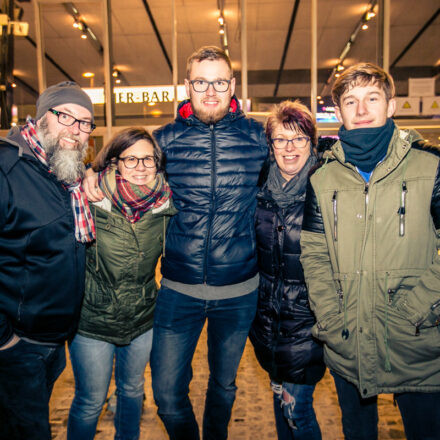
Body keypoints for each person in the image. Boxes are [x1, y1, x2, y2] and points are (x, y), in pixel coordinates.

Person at [83, 46, 268, 440]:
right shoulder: (165, 140)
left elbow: (293, 172)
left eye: (219, 81)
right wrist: (91, 176)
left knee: (223, 386)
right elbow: (124, 170)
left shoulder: (256, 138)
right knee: (167, 394)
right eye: (201, 82)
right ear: (188, 86)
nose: (211, 91)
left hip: (238, 291)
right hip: (178, 290)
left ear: (232, 84)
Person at [300, 62, 440, 440]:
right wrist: (329, 315)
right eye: (350, 101)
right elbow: (313, 252)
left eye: (371, 99)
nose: (361, 111)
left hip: (417, 338)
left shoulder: (432, 165)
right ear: (339, 111)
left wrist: (417, 308)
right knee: (357, 432)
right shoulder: (322, 177)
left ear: (391, 106)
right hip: (349, 338)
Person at [0, 81, 95, 439]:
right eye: (66, 117)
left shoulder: (62, 173)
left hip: (52, 343)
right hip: (18, 345)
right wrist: (6, 341)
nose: (77, 130)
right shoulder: (7, 168)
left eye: (85, 122)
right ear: (41, 118)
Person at [67, 128, 175, 440]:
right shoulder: (90, 197)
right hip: (92, 321)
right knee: (90, 401)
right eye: (131, 159)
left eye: (148, 159)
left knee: (131, 392)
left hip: (141, 318)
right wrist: (87, 171)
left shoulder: (165, 202)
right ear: (115, 162)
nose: (141, 167)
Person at [249, 100, 326, 440]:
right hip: (268, 322)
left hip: (307, 323)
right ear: (271, 145)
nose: (289, 148)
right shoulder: (259, 188)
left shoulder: (325, 188)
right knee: (281, 404)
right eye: (280, 139)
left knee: (297, 409)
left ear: (312, 143)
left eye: (299, 139)